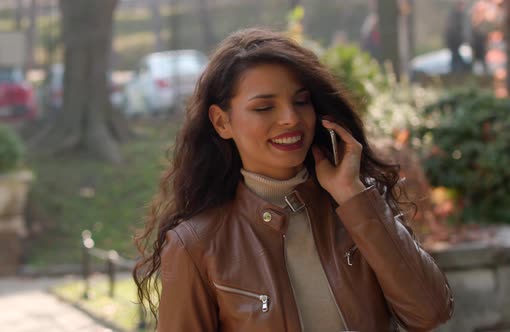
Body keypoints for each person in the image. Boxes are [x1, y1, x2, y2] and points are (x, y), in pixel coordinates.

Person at [133, 28, 454, 331]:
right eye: (264, 107)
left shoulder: (357, 207)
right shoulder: (196, 245)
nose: (291, 118)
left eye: (301, 102)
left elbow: (430, 312)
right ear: (222, 122)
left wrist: (353, 196)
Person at [444, 1, 468, 72]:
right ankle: (456, 74)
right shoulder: (454, 15)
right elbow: (452, 30)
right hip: (453, 42)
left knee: (455, 59)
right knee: (456, 59)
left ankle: (456, 73)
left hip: (455, 43)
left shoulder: (457, 15)